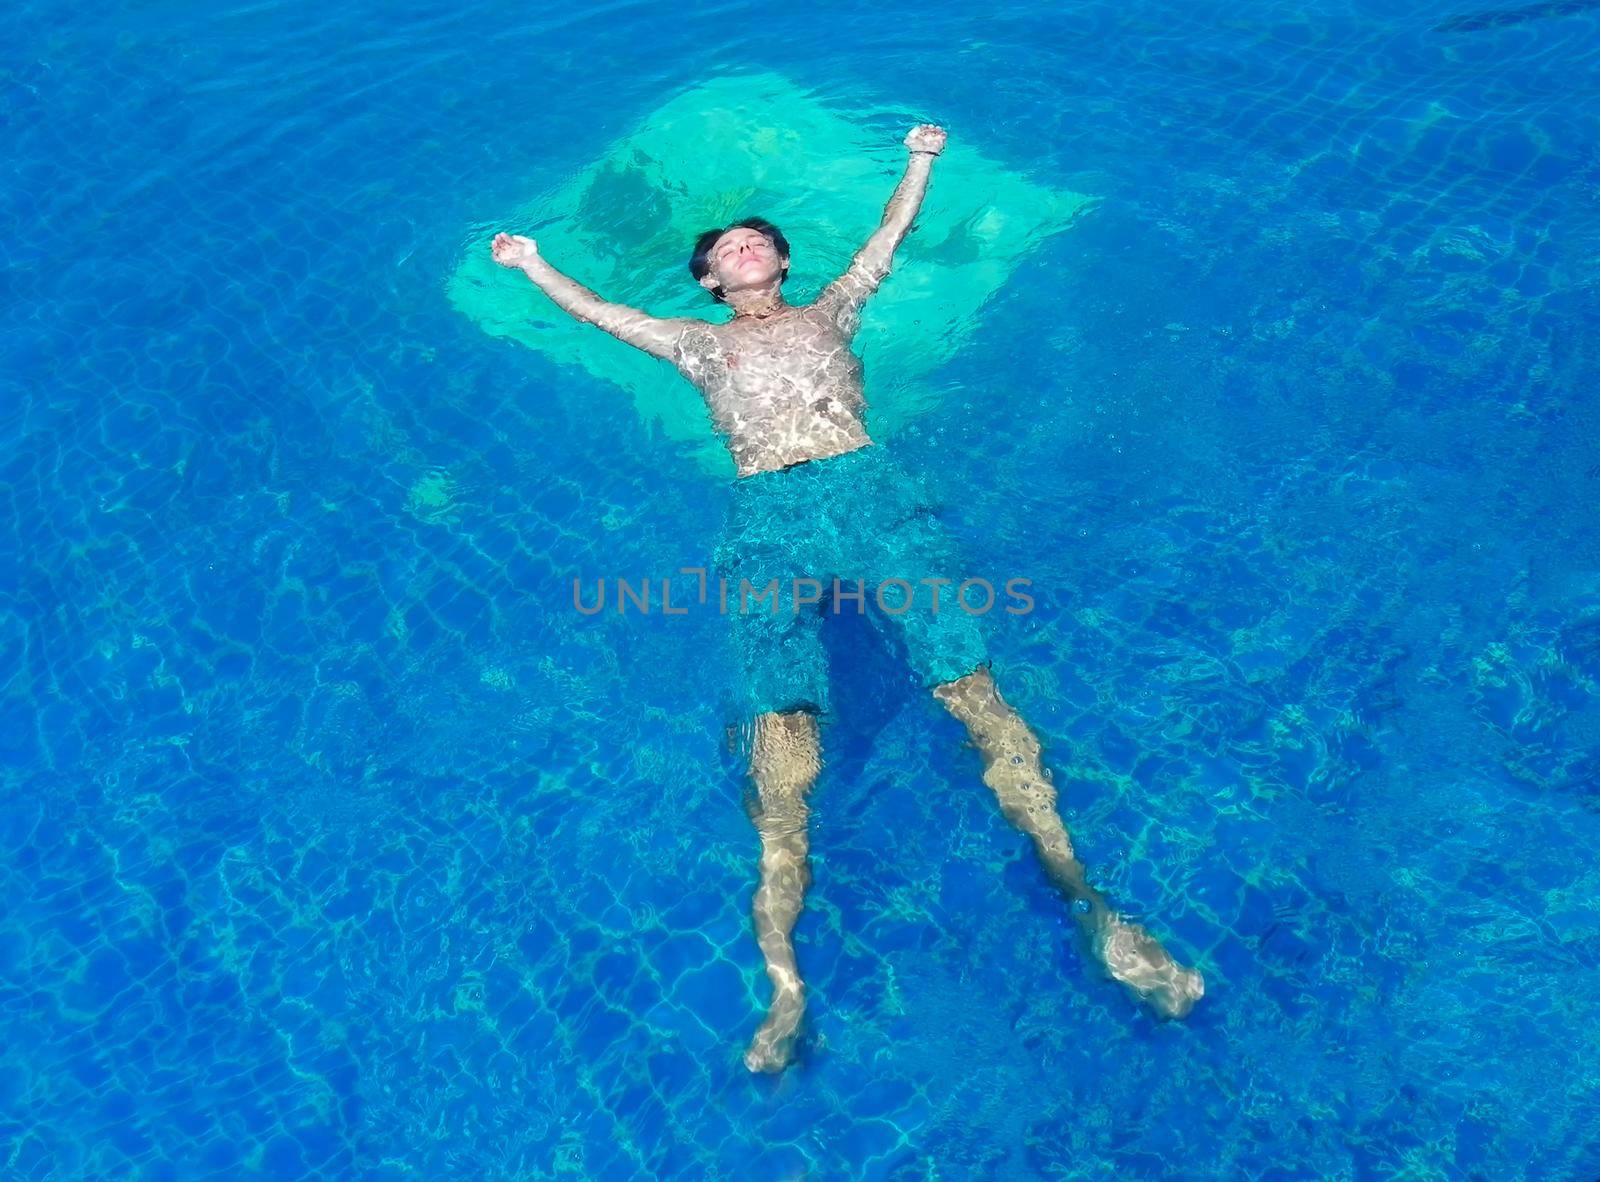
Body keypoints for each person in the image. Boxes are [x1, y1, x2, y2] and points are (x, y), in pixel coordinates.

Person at [491, 123, 1203, 1073]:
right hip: (768, 515)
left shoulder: (832, 312)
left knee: (972, 687)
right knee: (780, 733)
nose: (742, 245)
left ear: (782, 261)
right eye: (723, 248)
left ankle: (1089, 899)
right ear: (709, 281)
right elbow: (598, 313)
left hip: (870, 495)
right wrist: (536, 264)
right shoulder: (695, 345)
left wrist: (920, 162)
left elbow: (887, 239)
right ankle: (785, 982)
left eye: (757, 239)